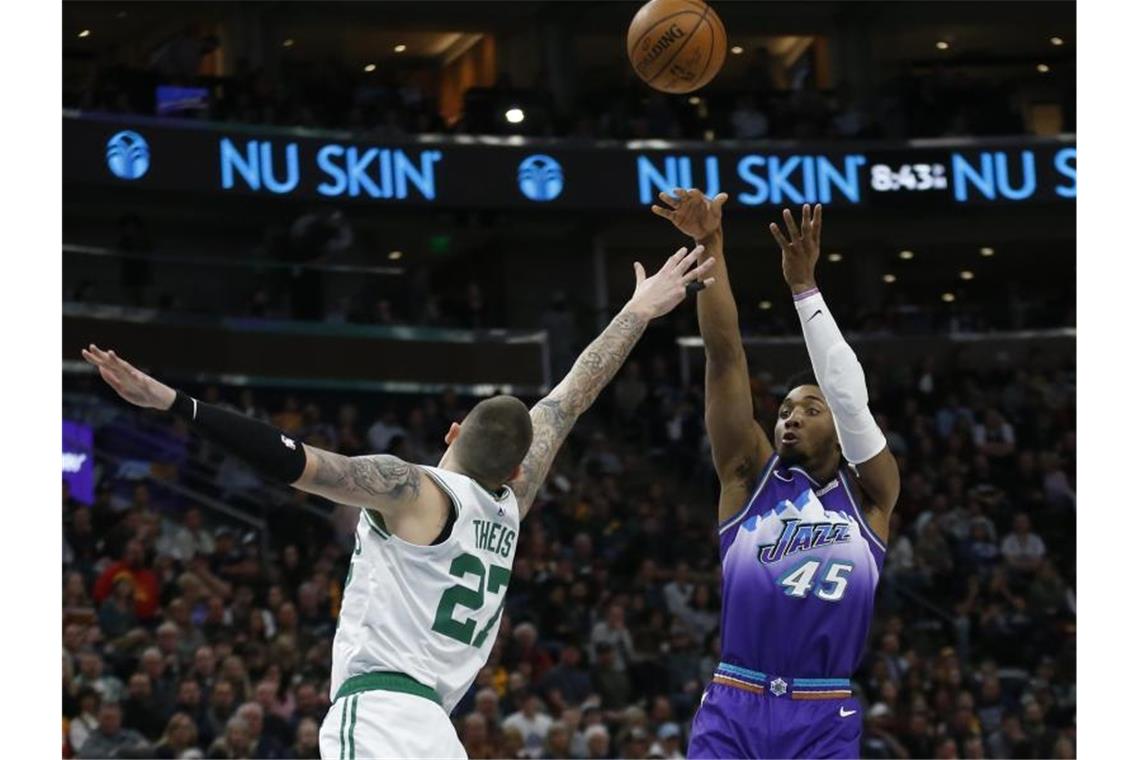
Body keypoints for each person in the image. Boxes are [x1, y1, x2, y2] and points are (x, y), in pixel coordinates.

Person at [82, 244, 715, 760]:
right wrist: (638, 312)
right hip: (437, 733)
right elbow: (571, 398)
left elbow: (291, 458)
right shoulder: (511, 505)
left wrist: (174, 403)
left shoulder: (412, 490)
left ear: (451, 434)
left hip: (380, 716)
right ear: (518, 467)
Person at [652, 192, 900, 759]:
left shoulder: (874, 499)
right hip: (735, 698)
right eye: (785, 409)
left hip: (823, 712)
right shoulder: (748, 477)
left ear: (838, 429)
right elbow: (724, 355)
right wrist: (709, 245)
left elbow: (850, 399)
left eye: (809, 410)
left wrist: (804, 286)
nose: (790, 417)